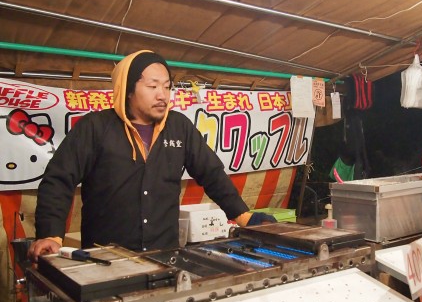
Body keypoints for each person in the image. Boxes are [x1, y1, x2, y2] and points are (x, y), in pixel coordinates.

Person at [28, 50, 275, 262]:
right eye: (153, 86)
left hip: (164, 256)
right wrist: (51, 234)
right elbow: (59, 180)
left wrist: (243, 215)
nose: (162, 95)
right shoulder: (95, 127)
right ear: (127, 89)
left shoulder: (179, 127)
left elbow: (212, 174)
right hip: (105, 260)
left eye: (167, 87)